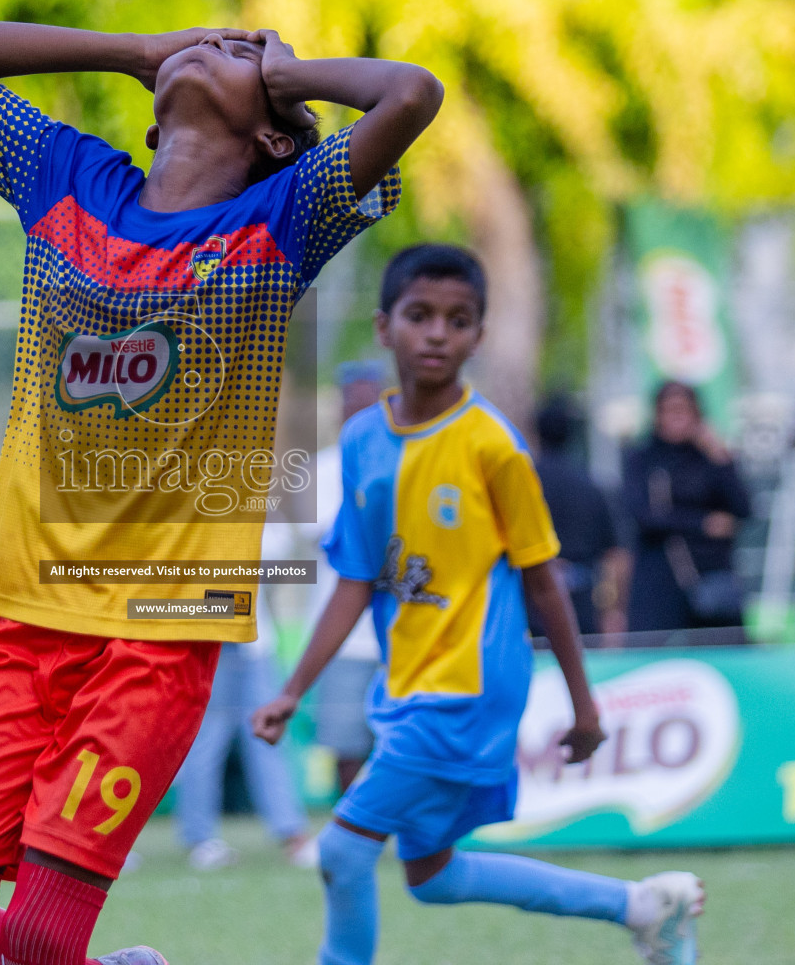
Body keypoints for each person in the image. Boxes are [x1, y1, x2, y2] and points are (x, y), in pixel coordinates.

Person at [0, 19, 440, 965]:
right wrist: (129, 47)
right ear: (150, 115)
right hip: (22, 611)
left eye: (244, 50)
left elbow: (410, 94)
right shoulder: (67, 180)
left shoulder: (278, 220)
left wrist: (284, 70)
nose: (215, 43)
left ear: (275, 133)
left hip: (160, 629)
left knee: (33, 942)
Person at [253, 245, 705, 965]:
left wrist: (586, 706)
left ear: (479, 337)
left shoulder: (493, 446)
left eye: (458, 320)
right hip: (404, 683)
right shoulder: (366, 438)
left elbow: (544, 581)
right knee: (432, 876)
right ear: (384, 327)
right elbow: (354, 578)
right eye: (420, 315)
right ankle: (644, 907)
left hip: (467, 689)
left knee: (341, 853)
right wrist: (292, 688)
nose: (437, 333)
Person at [174, 517, 315, 872]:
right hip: (208, 637)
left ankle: (290, 834)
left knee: (268, 737)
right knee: (206, 738)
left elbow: (276, 552)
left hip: (255, 640)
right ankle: (200, 837)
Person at [622, 381, 751, 637]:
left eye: (684, 410)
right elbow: (644, 515)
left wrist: (720, 458)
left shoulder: (710, 458)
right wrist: (702, 523)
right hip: (660, 580)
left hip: (712, 577)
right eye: (670, 410)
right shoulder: (643, 458)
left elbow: (743, 509)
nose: (677, 417)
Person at [312, 362, 387, 794]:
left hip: (396, 630)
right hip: (341, 632)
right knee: (346, 743)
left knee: (394, 741)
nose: (359, 407)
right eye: (351, 398)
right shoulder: (321, 469)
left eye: (368, 398)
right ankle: (352, 827)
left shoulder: (399, 458)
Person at [533, 394, 629, 640]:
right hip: (582, 602)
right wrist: (614, 610)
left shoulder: (525, 483)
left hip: (531, 600)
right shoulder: (590, 485)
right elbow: (616, 554)